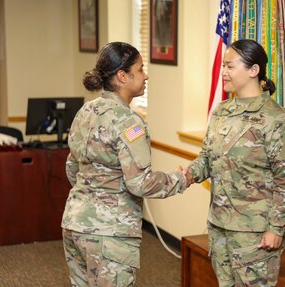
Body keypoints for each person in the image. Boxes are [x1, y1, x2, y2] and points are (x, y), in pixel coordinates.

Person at [61, 42, 189, 287]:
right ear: (122, 76)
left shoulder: (85, 111)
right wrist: (182, 179)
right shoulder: (129, 122)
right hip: (110, 233)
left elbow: (72, 168)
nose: (146, 75)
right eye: (140, 70)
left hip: (74, 224)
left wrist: (93, 193)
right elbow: (140, 183)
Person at [184, 39, 285, 287]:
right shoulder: (221, 111)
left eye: (229, 66)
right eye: (223, 66)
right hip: (220, 224)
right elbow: (207, 158)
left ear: (253, 70)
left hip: (255, 233)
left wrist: (276, 228)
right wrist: (188, 174)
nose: (223, 72)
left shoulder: (275, 118)